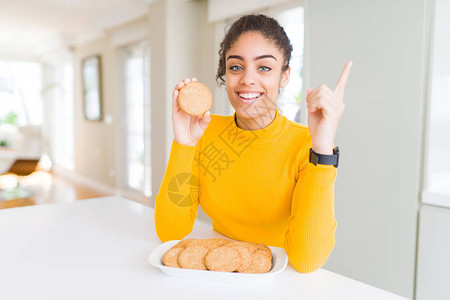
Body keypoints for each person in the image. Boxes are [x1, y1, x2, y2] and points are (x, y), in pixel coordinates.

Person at [154, 14, 352, 273]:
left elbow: (307, 261)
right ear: (225, 73)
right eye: (236, 67)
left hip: (278, 282)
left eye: (264, 68)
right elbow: (170, 232)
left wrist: (323, 149)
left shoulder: (307, 145)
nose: (247, 79)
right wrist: (184, 143)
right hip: (216, 277)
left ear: (284, 76)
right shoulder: (203, 131)